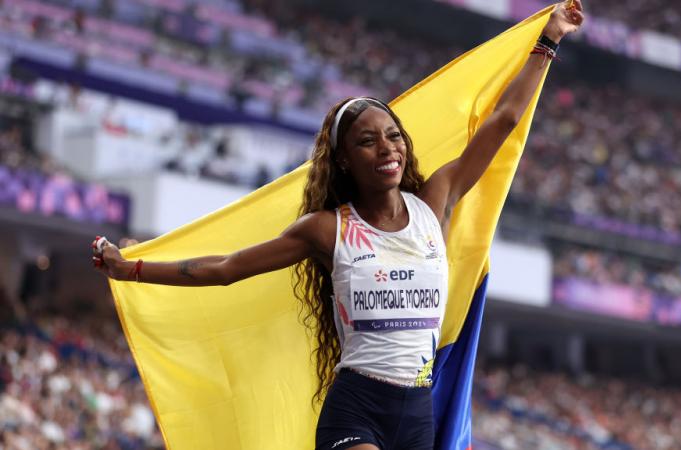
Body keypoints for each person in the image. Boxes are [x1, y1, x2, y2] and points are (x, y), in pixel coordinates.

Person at [92, 3, 584, 449]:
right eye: (368, 141)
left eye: (394, 136)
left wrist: (549, 40)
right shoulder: (327, 230)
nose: (388, 147)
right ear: (345, 160)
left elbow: (502, 120)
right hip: (357, 409)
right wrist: (131, 269)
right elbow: (225, 268)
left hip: (417, 412)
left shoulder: (437, 200)